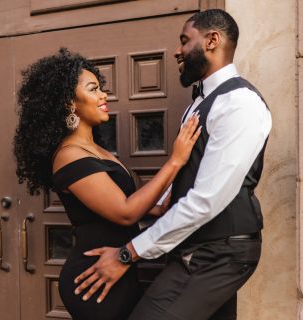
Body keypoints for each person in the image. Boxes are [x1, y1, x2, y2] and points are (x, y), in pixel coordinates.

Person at [73, 9, 272, 320]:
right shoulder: (200, 102)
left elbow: (205, 200)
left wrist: (127, 254)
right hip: (198, 249)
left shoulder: (240, 104)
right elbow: (192, 180)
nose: (177, 51)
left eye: (184, 41)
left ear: (212, 40)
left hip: (217, 254)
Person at [13, 48, 201, 320]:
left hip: (117, 268)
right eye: (93, 89)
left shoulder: (96, 150)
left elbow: (133, 204)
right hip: (94, 276)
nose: (104, 96)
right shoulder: (68, 155)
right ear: (69, 103)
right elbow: (125, 211)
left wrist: (164, 200)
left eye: (101, 88)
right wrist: (176, 160)